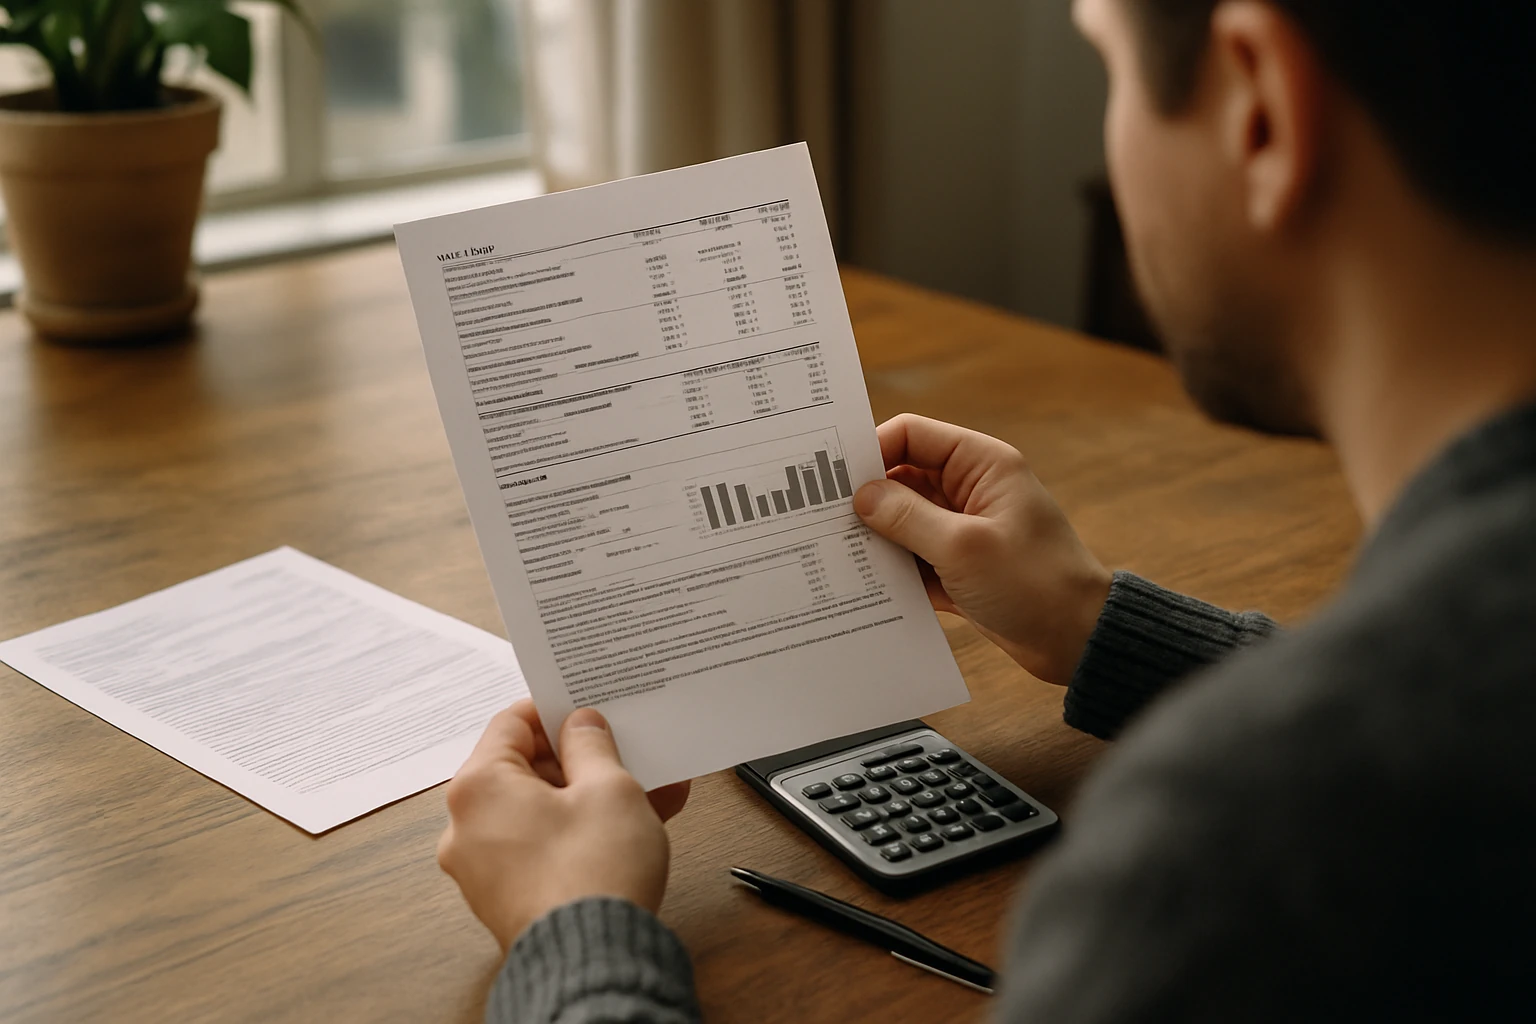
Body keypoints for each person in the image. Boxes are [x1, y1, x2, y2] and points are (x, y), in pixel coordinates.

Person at [436, 0, 1536, 1019]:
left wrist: (575, 935)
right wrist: (1101, 627)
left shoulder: (1227, 870)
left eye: (1104, 64)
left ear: (1261, 109)